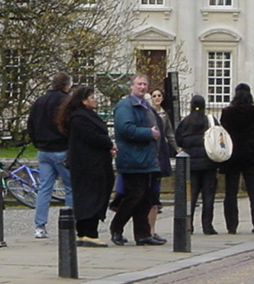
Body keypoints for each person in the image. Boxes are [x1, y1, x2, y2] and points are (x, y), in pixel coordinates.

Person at [110, 74, 163, 246]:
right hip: (132, 159)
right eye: (139, 84)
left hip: (146, 159)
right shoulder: (125, 106)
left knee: (146, 197)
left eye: (145, 84)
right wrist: (149, 133)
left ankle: (143, 234)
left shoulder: (146, 106)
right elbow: (125, 129)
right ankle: (116, 228)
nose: (142, 87)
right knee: (134, 196)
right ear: (131, 86)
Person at [58, 85, 114, 247]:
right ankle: (89, 233)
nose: (95, 99)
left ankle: (84, 233)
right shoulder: (80, 118)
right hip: (89, 165)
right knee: (90, 198)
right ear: (83, 101)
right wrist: (108, 143)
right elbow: (93, 137)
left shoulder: (84, 116)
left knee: (89, 196)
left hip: (92, 163)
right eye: (91, 97)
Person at [27, 73, 73, 240]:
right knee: (70, 187)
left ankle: (40, 227)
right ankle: (69, 224)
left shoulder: (40, 101)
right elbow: (71, 125)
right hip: (62, 149)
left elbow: (30, 125)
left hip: (44, 150)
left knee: (44, 189)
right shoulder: (67, 101)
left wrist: (38, 143)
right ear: (66, 86)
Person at [219, 83, 254, 235]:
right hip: (251, 152)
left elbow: (223, 129)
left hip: (232, 154)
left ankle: (232, 225)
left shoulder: (227, 112)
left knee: (231, 192)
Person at [175, 95, 218, 235]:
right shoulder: (210, 121)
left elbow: (179, 140)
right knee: (208, 195)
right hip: (209, 163)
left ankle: (189, 224)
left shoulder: (185, 122)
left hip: (191, 164)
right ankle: (207, 225)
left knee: (191, 196)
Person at [147, 87, 176, 239]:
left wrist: (177, 148)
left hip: (161, 151)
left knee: (155, 188)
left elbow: (169, 133)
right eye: (154, 95)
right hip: (151, 151)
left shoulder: (164, 114)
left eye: (159, 96)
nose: (157, 98)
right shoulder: (147, 112)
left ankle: (151, 229)